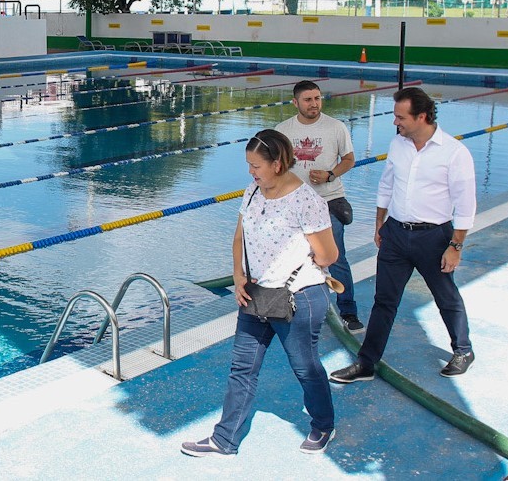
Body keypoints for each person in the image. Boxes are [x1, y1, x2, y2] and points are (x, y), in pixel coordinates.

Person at [182, 129, 339, 458]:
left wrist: (298, 261)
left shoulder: (306, 200)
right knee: (242, 368)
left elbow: (328, 256)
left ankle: (323, 424)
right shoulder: (253, 191)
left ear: (278, 164)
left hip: (300, 297)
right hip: (255, 295)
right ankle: (225, 439)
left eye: (256, 166)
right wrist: (239, 277)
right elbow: (239, 236)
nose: (250, 172)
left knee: (305, 367)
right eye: (249, 165)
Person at [330, 87, 477, 383]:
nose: (395, 122)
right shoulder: (399, 144)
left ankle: (463, 349)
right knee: (384, 300)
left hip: (434, 237)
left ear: (421, 116)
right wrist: (379, 224)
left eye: (400, 117)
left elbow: (465, 204)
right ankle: (366, 363)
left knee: (445, 296)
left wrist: (455, 246)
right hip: (395, 233)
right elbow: (386, 185)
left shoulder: (454, 152)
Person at [276, 80, 363, 334]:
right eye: (308, 100)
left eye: (317, 98)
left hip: (328, 202)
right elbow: (275, 166)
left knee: (336, 259)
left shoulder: (336, 127)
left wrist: (330, 175)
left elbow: (349, 160)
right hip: (294, 206)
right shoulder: (283, 130)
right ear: (295, 103)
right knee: (289, 257)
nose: (314, 104)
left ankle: (348, 311)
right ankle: (289, 306)